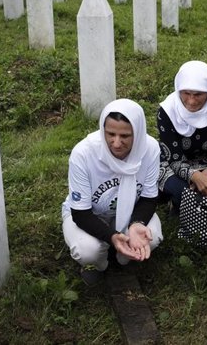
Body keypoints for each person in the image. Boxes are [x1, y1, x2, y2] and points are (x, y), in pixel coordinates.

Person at [62, 99, 162, 285]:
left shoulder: (150, 148)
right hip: (90, 214)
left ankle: (124, 257)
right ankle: (100, 264)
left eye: (125, 136)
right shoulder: (83, 154)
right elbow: (80, 213)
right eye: (110, 134)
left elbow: (149, 197)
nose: (116, 143)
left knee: (152, 237)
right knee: (88, 250)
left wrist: (136, 223)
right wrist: (112, 236)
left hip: (131, 209)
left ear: (138, 134)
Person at [156, 61, 207, 245]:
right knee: (181, 189)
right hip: (175, 162)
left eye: (198, 94)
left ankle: (200, 211)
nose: (191, 101)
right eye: (186, 93)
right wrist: (194, 176)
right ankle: (179, 204)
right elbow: (173, 157)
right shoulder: (167, 111)